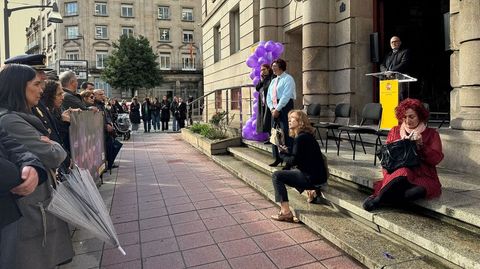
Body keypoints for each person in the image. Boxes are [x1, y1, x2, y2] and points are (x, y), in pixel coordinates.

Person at [0, 64, 74, 268]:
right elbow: (53, 154)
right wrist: (54, 145)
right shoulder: (9, 121)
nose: (42, 89)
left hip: (37, 206)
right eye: (36, 84)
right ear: (17, 87)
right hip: (31, 212)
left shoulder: (21, 115)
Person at [363, 98, 444, 211]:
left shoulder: (432, 134)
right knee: (404, 172)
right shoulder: (395, 131)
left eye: (411, 117)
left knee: (418, 191)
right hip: (398, 173)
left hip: (423, 174)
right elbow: (386, 159)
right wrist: (388, 174)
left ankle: (382, 200)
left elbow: (436, 159)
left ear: (420, 116)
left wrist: (421, 145)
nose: (407, 120)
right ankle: (378, 200)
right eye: (404, 117)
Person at [270, 110, 328, 222]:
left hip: (312, 178)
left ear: (300, 121)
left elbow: (293, 161)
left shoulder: (301, 138)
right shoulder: (305, 136)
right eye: (289, 118)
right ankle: (313, 192)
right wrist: (287, 152)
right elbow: (299, 157)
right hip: (317, 176)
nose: (289, 120)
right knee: (288, 171)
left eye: (292, 118)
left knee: (277, 176)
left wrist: (281, 154)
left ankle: (285, 212)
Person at [266, 59, 296, 167]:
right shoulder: (274, 81)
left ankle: (289, 160)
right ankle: (278, 158)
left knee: (286, 132)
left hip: (285, 106)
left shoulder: (288, 79)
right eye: (272, 66)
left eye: (275, 66)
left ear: (281, 67)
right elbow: (268, 96)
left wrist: (278, 109)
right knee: (275, 133)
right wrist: (272, 109)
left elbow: (286, 96)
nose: (273, 68)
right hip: (274, 107)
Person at [380, 36, 411, 100]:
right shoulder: (388, 54)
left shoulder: (404, 52)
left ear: (400, 43)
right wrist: (385, 71)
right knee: (389, 98)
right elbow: (382, 65)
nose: (393, 43)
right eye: (392, 42)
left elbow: (403, 64)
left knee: (400, 98)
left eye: (395, 41)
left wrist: (391, 71)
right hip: (388, 79)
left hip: (399, 79)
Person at [256, 63, 274, 138]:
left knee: (269, 119)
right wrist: (261, 79)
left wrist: (265, 79)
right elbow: (257, 88)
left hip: (270, 102)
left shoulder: (272, 78)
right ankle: (269, 137)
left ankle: (273, 137)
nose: (262, 71)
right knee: (264, 119)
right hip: (263, 102)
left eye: (264, 69)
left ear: (268, 69)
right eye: (261, 70)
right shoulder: (262, 79)